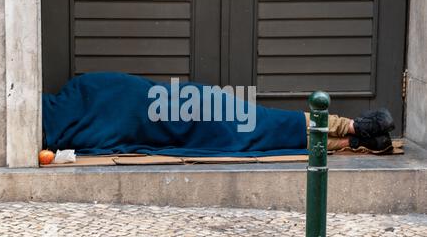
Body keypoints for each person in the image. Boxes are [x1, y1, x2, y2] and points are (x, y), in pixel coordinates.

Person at [42, 73, 395, 156]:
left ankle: (351, 136)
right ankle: (352, 131)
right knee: (260, 122)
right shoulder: (82, 86)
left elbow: (117, 139)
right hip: (188, 102)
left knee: (259, 132)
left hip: (184, 116)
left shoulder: (70, 127)